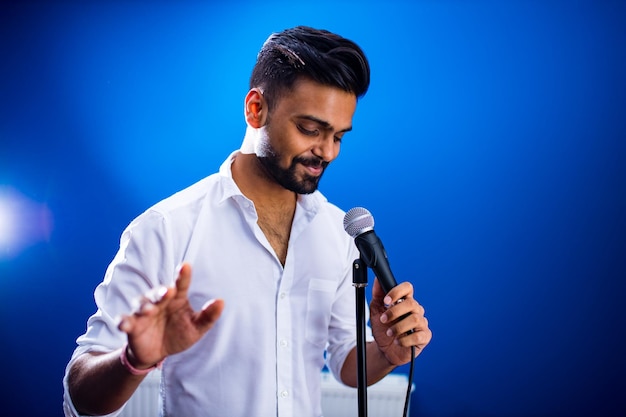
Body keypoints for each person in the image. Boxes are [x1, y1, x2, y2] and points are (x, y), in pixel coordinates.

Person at [63, 25, 432, 417]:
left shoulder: (337, 231)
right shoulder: (166, 228)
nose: (327, 151)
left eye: (339, 136)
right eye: (310, 129)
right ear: (256, 109)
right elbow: (79, 394)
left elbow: (345, 362)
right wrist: (132, 359)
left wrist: (386, 354)